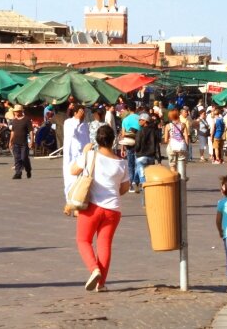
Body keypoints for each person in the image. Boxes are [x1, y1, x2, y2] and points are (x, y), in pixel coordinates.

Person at [70, 125, 129, 292]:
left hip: (92, 207)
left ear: (97, 140)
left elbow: (73, 171)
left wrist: (84, 152)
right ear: (113, 140)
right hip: (113, 209)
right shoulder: (121, 163)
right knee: (104, 244)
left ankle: (94, 269)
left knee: (83, 240)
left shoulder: (90, 155)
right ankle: (101, 283)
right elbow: (124, 188)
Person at [62, 106, 90, 203]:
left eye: (84, 112)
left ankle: (80, 202)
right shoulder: (68, 122)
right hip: (71, 157)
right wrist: (77, 119)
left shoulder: (85, 125)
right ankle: (69, 201)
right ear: (75, 113)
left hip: (83, 156)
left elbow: (87, 139)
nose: (83, 114)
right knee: (70, 179)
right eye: (80, 112)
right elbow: (71, 133)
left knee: (82, 180)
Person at [133, 113, 160, 192]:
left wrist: (134, 148)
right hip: (151, 157)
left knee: (142, 174)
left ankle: (143, 188)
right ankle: (135, 182)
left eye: (140, 120)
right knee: (145, 173)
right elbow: (157, 146)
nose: (139, 121)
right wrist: (159, 160)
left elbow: (137, 146)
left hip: (141, 156)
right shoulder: (154, 132)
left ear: (145, 121)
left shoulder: (140, 132)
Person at [8, 105, 32, 180]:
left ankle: (28, 169)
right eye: (15, 112)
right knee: (17, 158)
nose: (15, 113)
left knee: (24, 158)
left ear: (20, 111)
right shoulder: (14, 121)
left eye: (16, 111)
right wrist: (10, 141)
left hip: (24, 143)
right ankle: (18, 173)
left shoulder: (26, 120)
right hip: (16, 143)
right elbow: (12, 132)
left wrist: (32, 141)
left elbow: (31, 131)